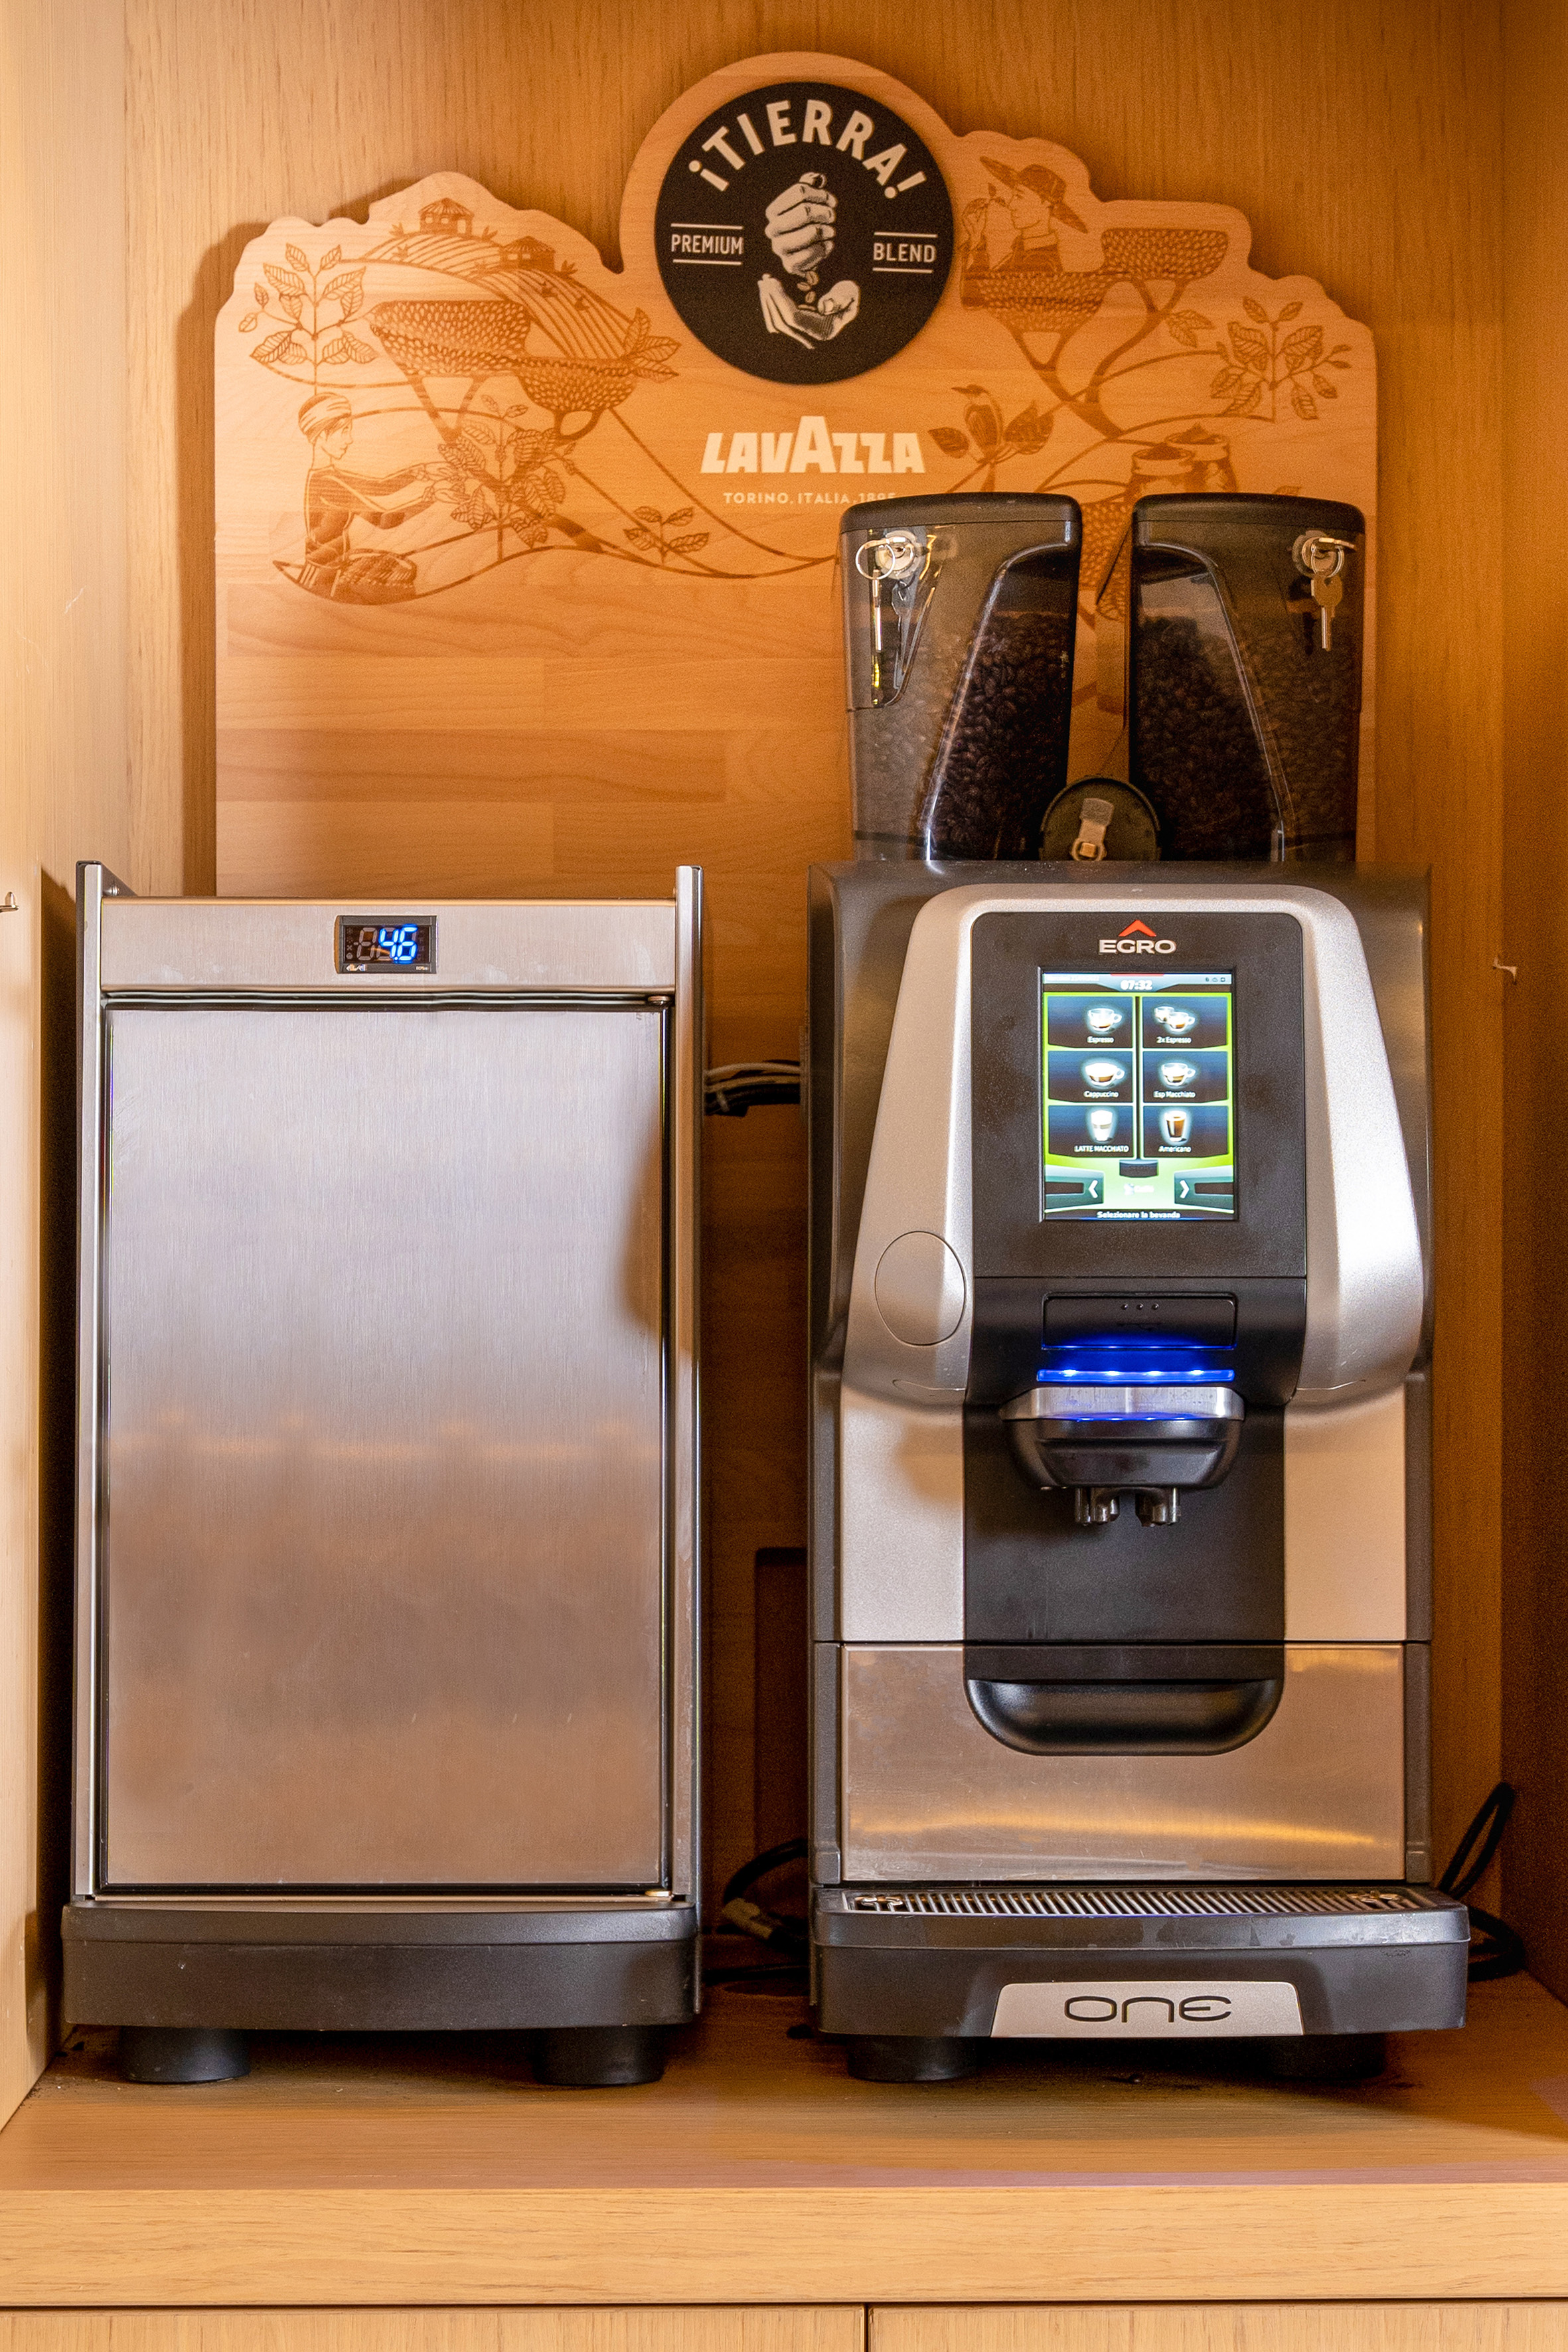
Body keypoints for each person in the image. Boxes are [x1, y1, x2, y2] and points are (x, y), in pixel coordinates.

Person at [293, 390, 432, 601]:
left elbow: (381, 486)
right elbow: (384, 519)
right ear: (321, 435)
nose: (349, 440)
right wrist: (430, 499)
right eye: (344, 431)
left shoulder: (329, 475)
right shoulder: (328, 483)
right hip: (321, 575)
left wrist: (414, 473)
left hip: (333, 567)